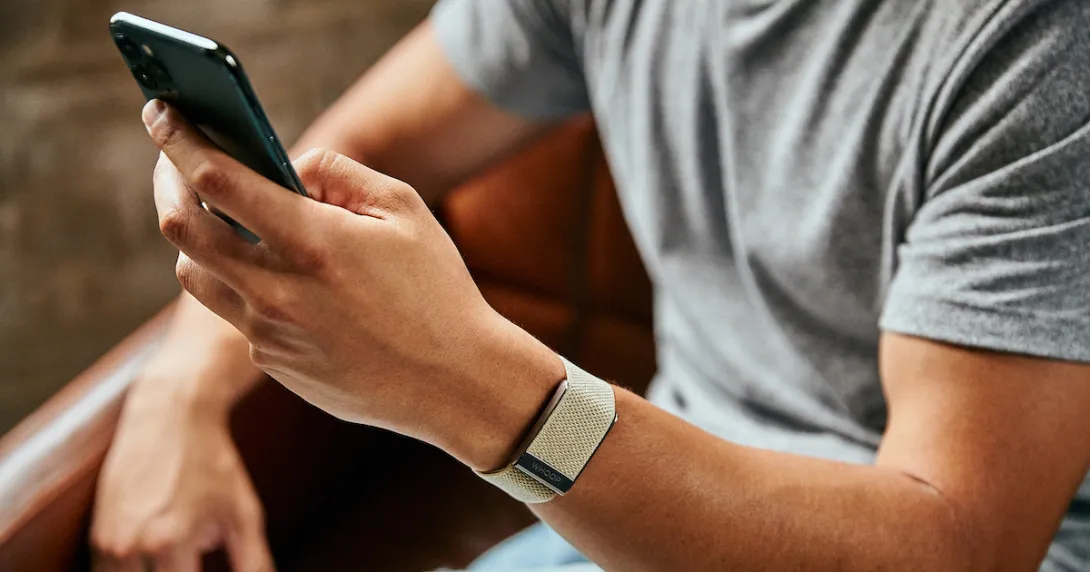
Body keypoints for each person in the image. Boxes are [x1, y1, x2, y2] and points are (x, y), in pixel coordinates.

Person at [91, 0, 1090, 570]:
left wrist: (470, 384)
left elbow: (958, 546)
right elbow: (338, 158)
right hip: (636, 507)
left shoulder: (1035, 40)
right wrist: (177, 393)